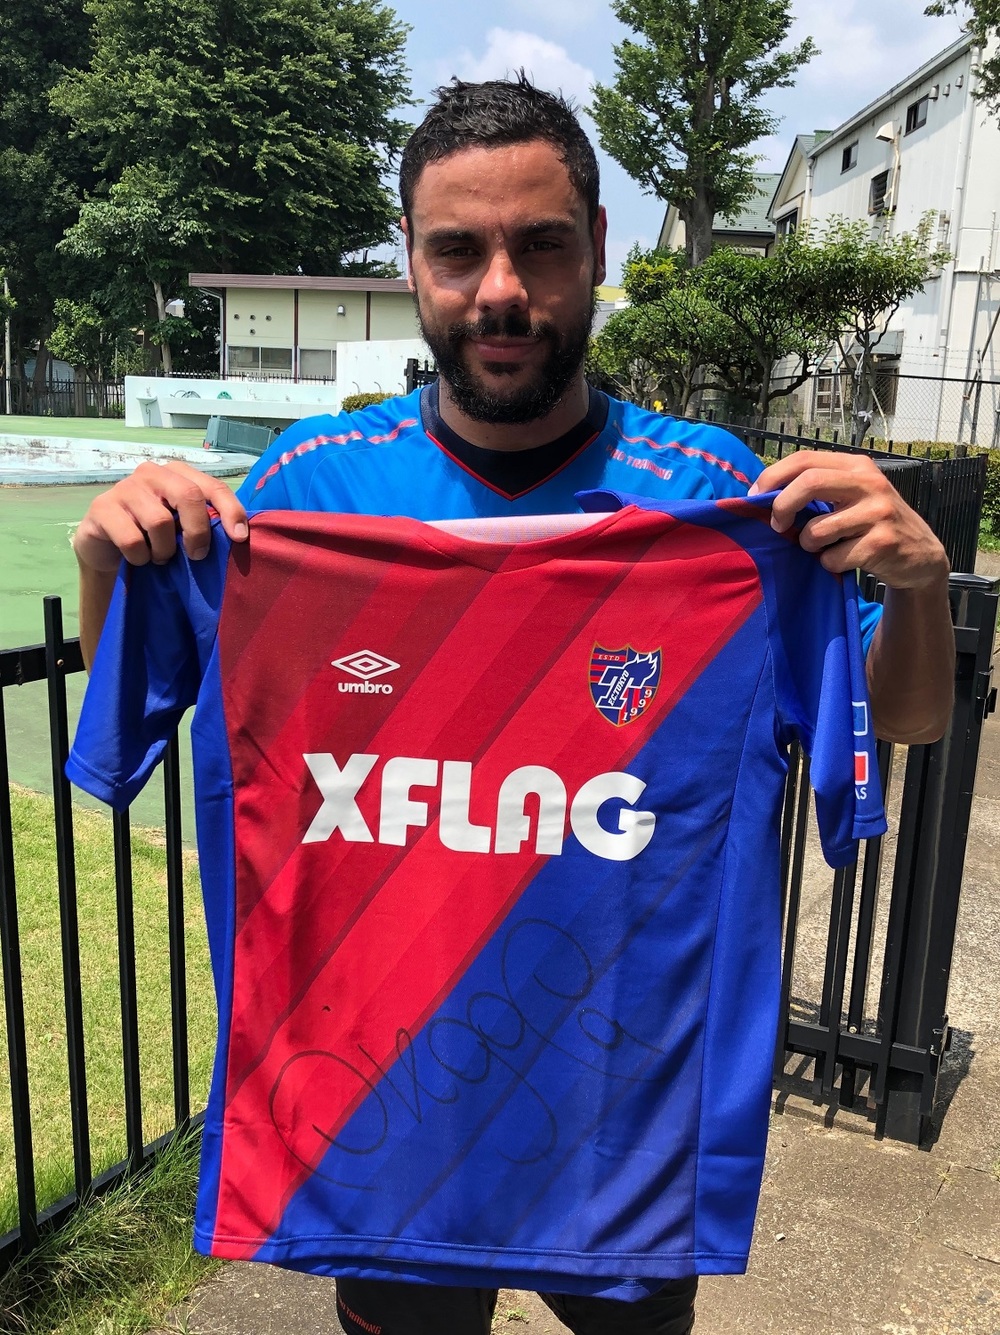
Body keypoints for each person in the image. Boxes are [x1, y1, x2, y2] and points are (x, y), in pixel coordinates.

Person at [72, 76, 954, 1335]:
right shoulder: (300, 498)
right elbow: (139, 710)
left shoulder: (718, 506)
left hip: (624, 1116)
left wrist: (914, 587)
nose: (499, 290)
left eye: (538, 245)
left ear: (595, 248)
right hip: (384, 1112)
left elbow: (903, 722)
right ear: (411, 260)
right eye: (457, 251)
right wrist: (114, 567)